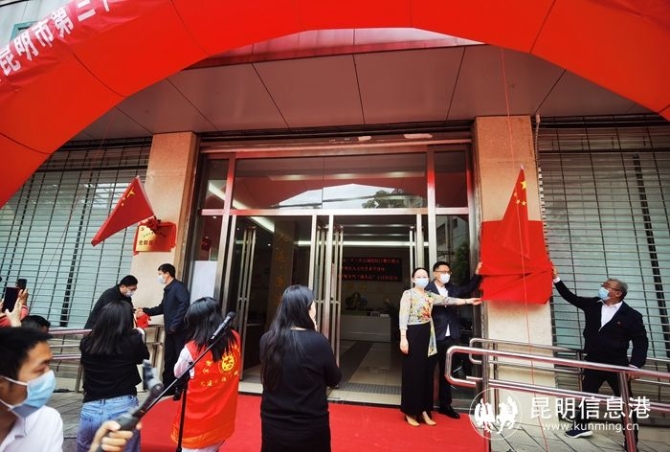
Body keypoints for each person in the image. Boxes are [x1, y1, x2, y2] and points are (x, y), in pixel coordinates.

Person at [552, 267, 648, 448]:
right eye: (603, 284)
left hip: (617, 366)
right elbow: (571, 297)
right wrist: (556, 278)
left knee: (625, 403)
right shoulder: (594, 304)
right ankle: (580, 426)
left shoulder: (631, 316)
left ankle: (631, 440)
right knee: (587, 396)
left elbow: (641, 341)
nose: (602, 287)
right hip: (594, 361)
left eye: (607, 286)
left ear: (617, 293)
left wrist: (635, 365)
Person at [0, 327, 138, 452]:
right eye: (40, 370)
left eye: (49, 366)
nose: (49, 376)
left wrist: (96, 449)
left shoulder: (47, 420)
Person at [260, 285, 341, 452]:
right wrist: (314, 334)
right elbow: (334, 379)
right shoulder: (318, 342)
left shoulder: (267, 339)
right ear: (307, 309)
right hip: (310, 425)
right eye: (313, 303)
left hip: (273, 424)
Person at [399, 267, 480, 427]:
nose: (422, 279)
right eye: (418, 276)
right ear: (413, 279)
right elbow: (403, 316)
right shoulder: (408, 294)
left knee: (427, 374)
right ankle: (410, 411)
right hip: (413, 335)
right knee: (413, 374)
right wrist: (403, 338)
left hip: (428, 336)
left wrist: (469, 301)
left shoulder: (430, 295)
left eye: (424, 276)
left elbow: (448, 300)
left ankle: (424, 410)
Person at [77, 301, 150, 452]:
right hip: (122, 405)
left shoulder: (86, 343)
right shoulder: (132, 341)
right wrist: (137, 331)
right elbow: (143, 357)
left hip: (91, 407)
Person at [171, 297, 241, 452]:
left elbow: (178, 372)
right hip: (223, 412)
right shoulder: (234, 338)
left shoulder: (191, 349)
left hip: (198, 418)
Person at [425, 260, 482, 419]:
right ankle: (425, 406)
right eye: (443, 272)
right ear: (435, 273)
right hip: (432, 337)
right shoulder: (427, 289)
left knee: (446, 373)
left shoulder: (452, 289)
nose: (446, 275)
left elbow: (469, 288)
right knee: (428, 372)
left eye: (448, 272)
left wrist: (478, 272)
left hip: (450, 337)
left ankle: (445, 405)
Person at [136, 263, 190, 390]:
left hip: (179, 330)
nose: (159, 277)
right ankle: (168, 386)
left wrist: (175, 325)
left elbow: (184, 305)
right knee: (169, 358)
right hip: (171, 330)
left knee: (179, 358)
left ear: (167, 274)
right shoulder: (168, 289)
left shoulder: (178, 287)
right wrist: (145, 310)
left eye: (160, 274)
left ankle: (180, 386)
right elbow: (162, 308)